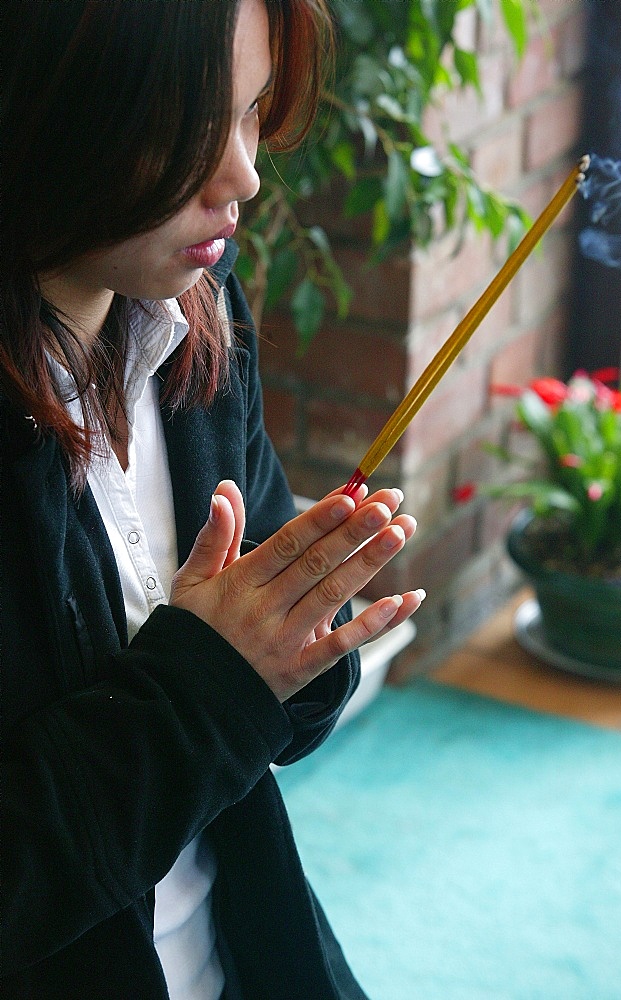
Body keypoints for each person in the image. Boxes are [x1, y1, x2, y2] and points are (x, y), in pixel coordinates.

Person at [1, 2, 425, 998]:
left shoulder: (196, 317)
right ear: (47, 106)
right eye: (195, 131)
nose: (244, 176)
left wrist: (301, 646)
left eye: (250, 116)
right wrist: (213, 684)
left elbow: (248, 707)